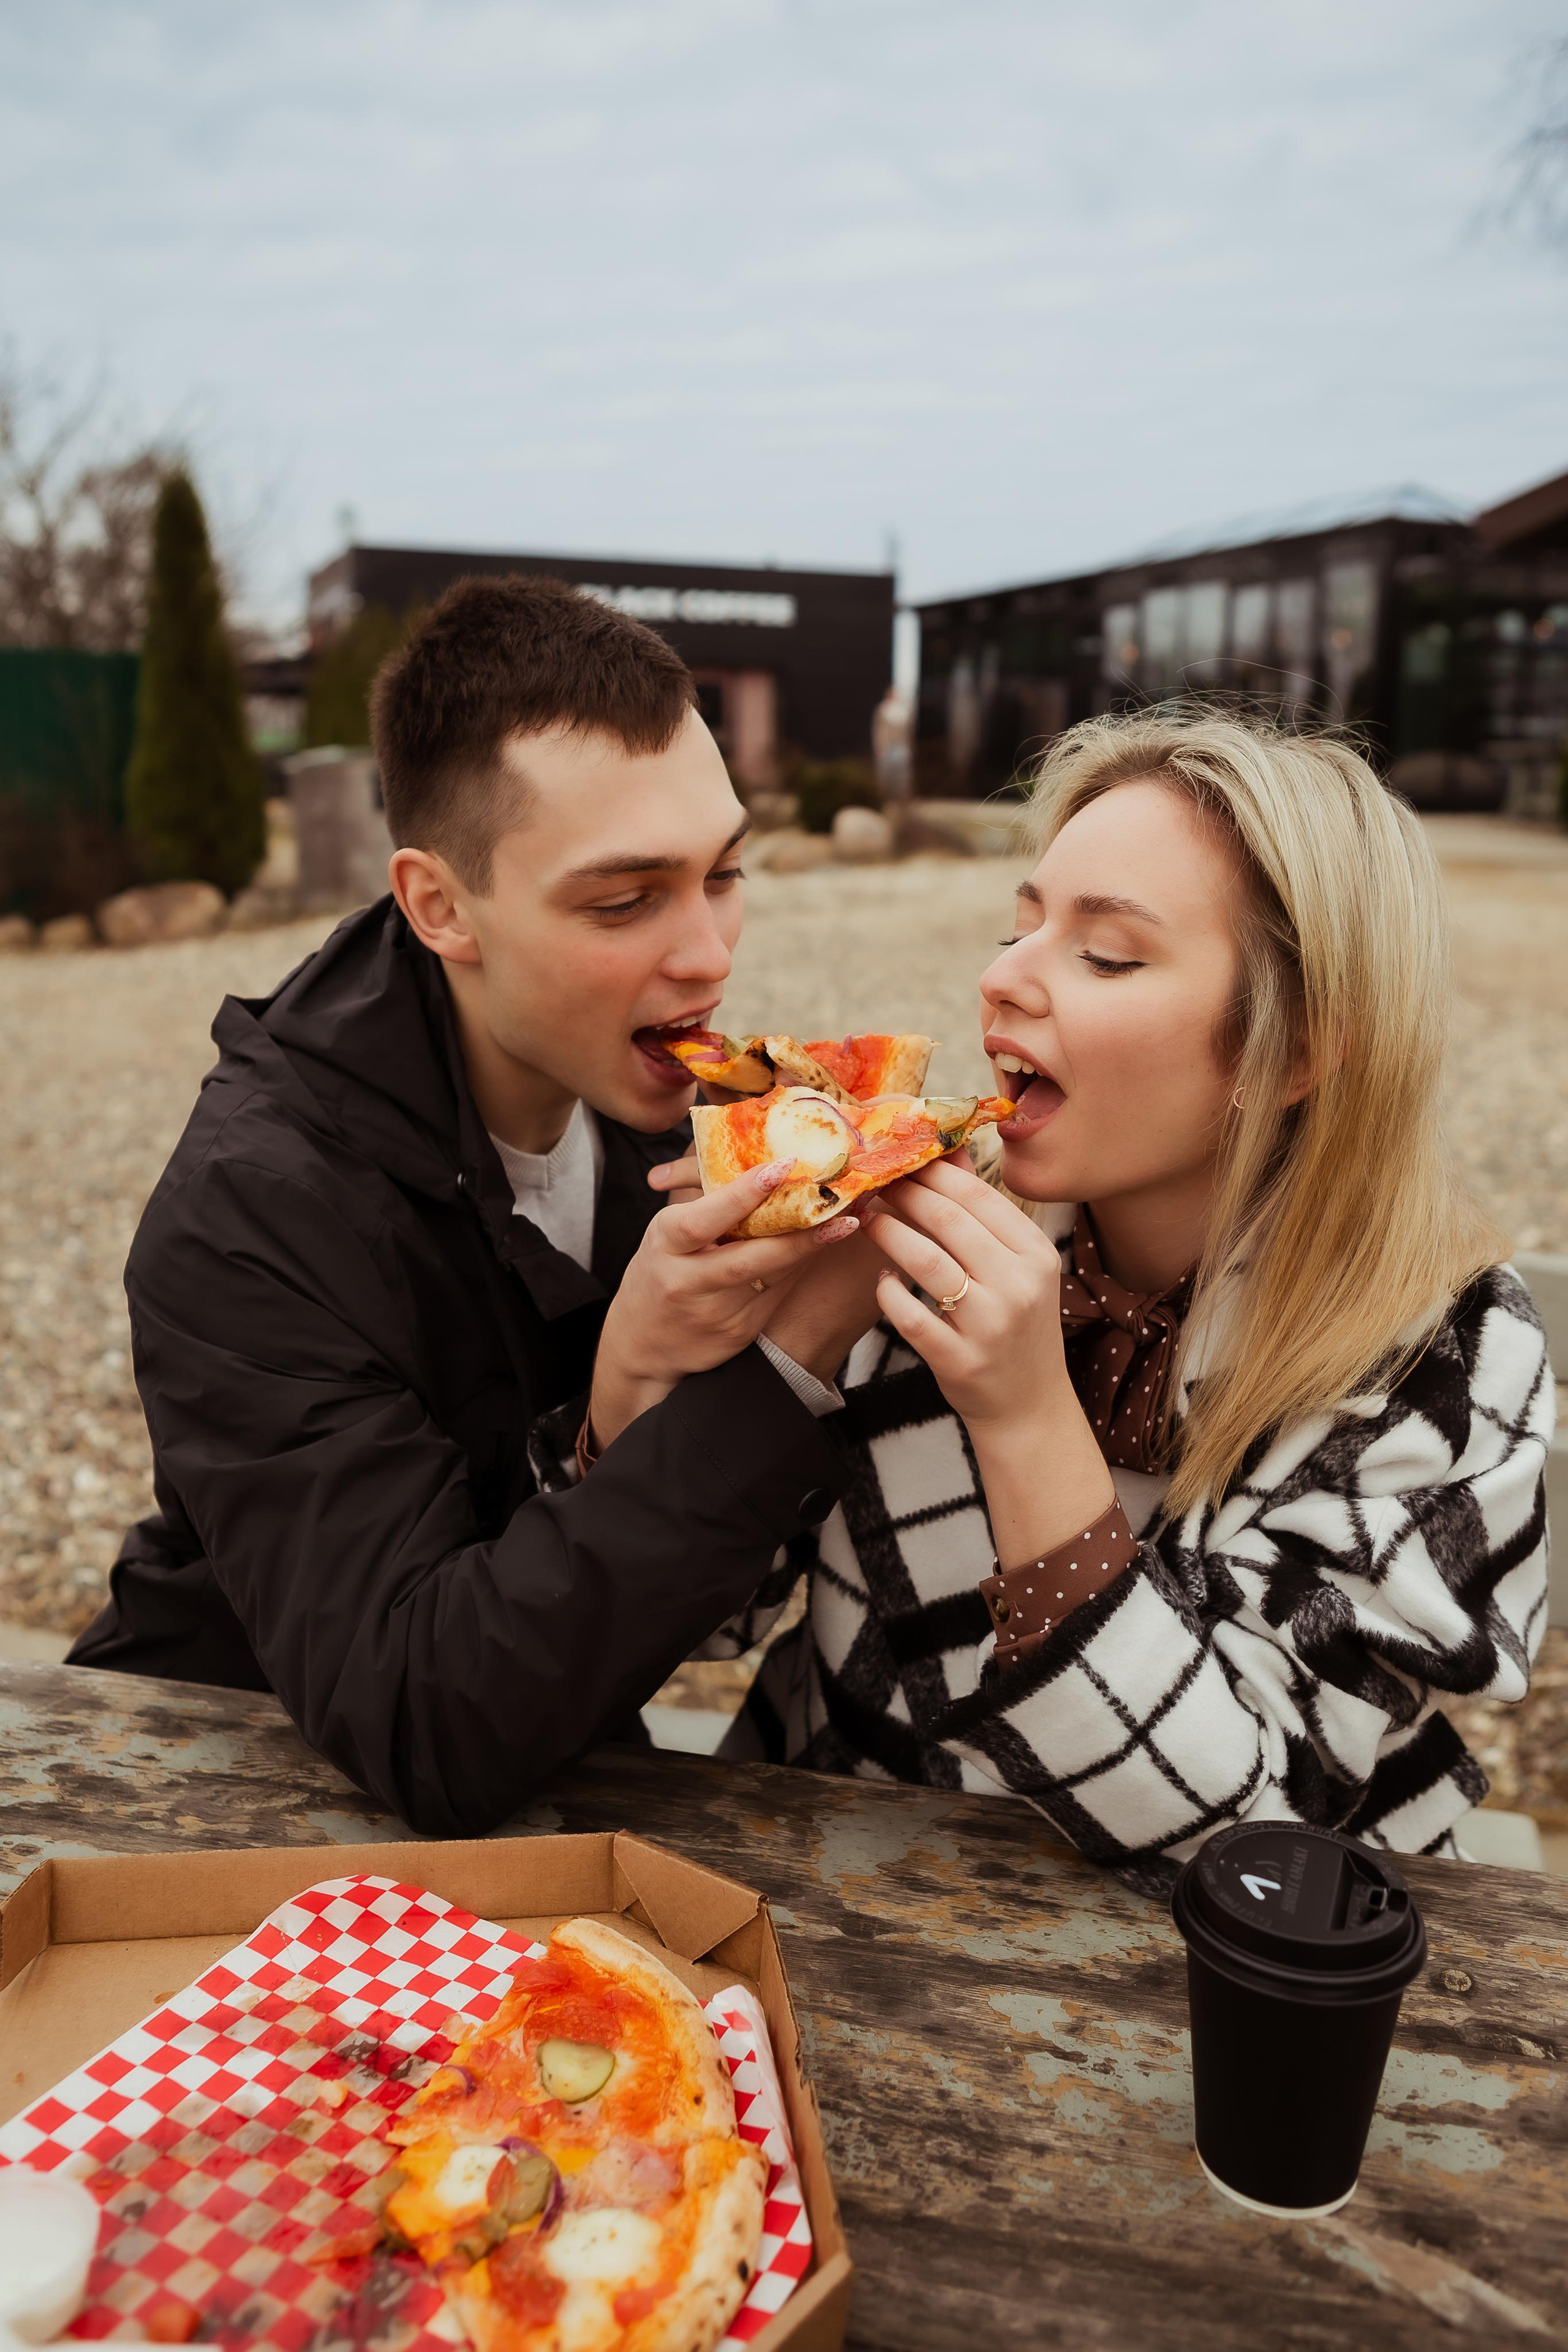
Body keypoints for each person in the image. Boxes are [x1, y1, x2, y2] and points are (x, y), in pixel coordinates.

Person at [679, 710, 1553, 1875]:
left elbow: (1250, 1842)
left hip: (1253, 1998)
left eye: (1105, 955)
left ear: (1290, 1052)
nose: (998, 980)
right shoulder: (893, 1246)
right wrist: (702, 1362)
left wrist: (1026, 1416)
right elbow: (693, 1627)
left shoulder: (1449, 1355)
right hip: (840, 1887)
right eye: (1018, 927)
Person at [69, 574, 861, 1834]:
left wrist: (626, 1416)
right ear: (439, 906)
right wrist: (781, 1366)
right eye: (623, 900)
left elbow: (714, 1594)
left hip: (564, 1757)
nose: (707, 952)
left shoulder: (672, 1091)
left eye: (726, 872)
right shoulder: (251, 1209)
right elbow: (420, 1721)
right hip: (220, 1797)